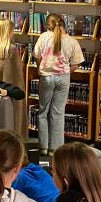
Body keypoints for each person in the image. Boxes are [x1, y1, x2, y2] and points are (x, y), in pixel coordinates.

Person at [33, 14, 84, 157]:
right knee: (58, 112)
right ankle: (55, 148)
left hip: (46, 78)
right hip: (63, 78)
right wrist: (66, 71)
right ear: (63, 23)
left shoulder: (43, 37)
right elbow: (76, 63)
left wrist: (41, 68)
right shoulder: (71, 41)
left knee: (43, 112)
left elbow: (36, 55)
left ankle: (43, 147)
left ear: (48, 24)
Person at [0, 17, 28, 138]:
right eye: (12, 30)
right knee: (15, 116)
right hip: (12, 89)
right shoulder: (12, 49)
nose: (13, 33)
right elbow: (17, 74)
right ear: (8, 32)